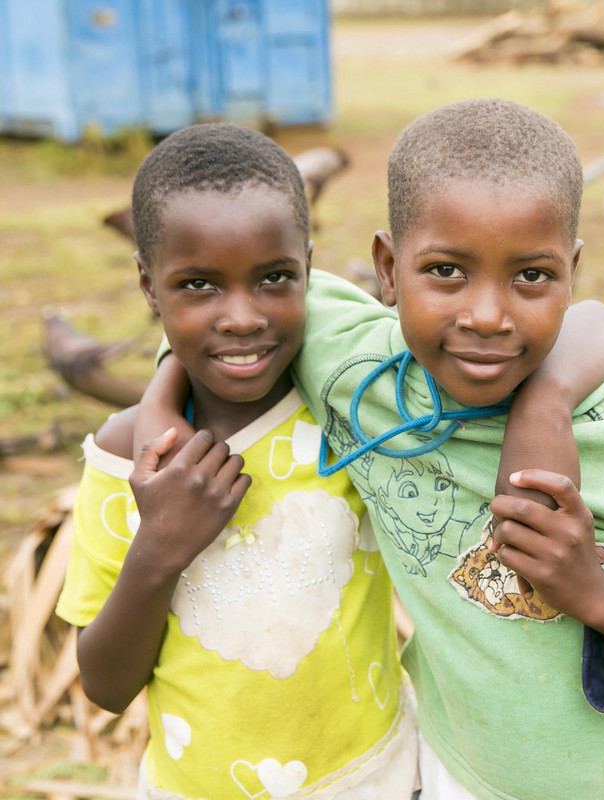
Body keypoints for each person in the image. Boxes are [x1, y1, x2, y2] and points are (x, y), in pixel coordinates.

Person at [133, 98, 604, 800]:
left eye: (531, 277)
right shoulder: (359, 371)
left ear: (571, 272)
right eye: (445, 271)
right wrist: (159, 400)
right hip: (454, 772)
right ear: (387, 269)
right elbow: (234, 304)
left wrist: (596, 594)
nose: (485, 315)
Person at [55, 124, 422, 800]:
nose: (242, 317)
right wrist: (159, 548)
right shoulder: (121, 462)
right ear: (147, 283)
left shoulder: (348, 417)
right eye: (198, 285)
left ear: (308, 267)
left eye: (274, 278)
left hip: (375, 777)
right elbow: (106, 686)